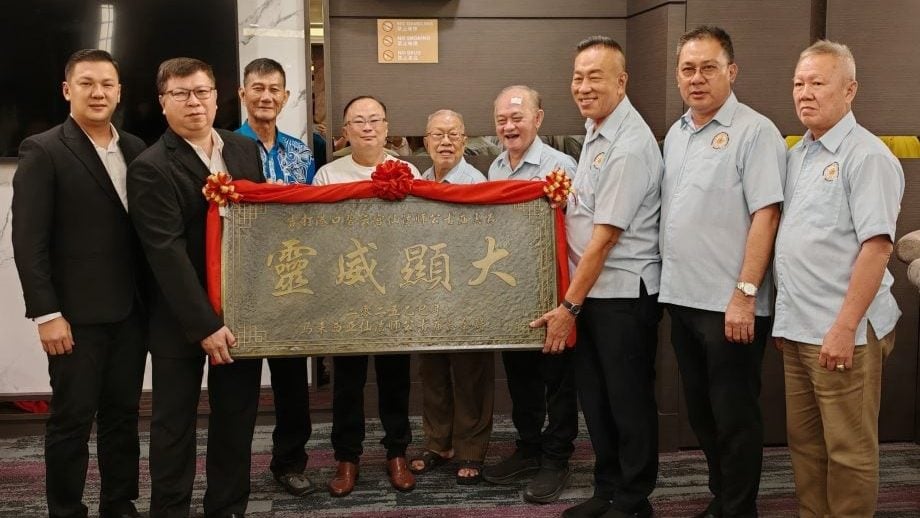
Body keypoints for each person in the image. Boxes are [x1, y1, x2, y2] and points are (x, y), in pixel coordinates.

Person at [12, 48, 147, 518]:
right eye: (87, 83)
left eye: (107, 84)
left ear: (119, 92)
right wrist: (47, 314)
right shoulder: (44, 149)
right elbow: (28, 242)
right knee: (72, 420)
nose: (98, 92)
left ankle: (119, 503)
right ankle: (65, 509)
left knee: (123, 416)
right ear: (68, 90)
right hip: (73, 318)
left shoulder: (136, 147)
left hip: (131, 311)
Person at [127, 57, 264, 517]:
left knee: (237, 419)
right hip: (179, 318)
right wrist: (205, 323)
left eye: (202, 92)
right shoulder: (150, 166)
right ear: (163, 102)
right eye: (181, 94)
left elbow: (258, 226)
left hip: (240, 312)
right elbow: (164, 253)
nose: (194, 102)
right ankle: (170, 510)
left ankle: (228, 507)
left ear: (217, 97)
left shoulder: (242, 150)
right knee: (174, 424)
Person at [533, 36, 663, 518]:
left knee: (628, 403)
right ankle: (607, 489)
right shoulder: (597, 129)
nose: (583, 87)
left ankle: (633, 500)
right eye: (578, 77)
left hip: (622, 297)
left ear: (621, 82)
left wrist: (568, 307)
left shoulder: (629, 144)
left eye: (595, 77)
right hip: (593, 294)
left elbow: (604, 239)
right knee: (598, 399)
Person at [659, 26, 786, 518]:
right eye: (687, 69)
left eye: (708, 68)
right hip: (682, 298)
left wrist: (745, 294)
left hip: (731, 305)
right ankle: (723, 496)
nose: (696, 78)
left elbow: (767, 215)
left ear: (731, 71)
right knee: (702, 411)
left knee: (734, 414)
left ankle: (738, 507)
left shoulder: (756, 132)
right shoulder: (677, 133)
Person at [774, 40, 903, 517]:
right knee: (806, 446)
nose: (804, 93)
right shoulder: (797, 154)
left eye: (817, 83)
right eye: (798, 83)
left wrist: (845, 327)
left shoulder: (867, 156)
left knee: (848, 452)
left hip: (844, 331)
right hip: (799, 328)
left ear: (850, 90)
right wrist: (785, 320)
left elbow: (878, 247)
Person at [313, 95, 420, 497]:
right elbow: (318, 236)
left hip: (394, 295)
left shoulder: (406, 171)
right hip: (347, 295)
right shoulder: (327, 175)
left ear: (387, 127)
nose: (368, 127)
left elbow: (420, 231)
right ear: (345, 132)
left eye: (375, 119)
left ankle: (397, 453)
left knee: (395, 379)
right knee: (348, 382)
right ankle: (347, 458)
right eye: (358, 121)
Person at [481, 85, 579, 505]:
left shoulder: (561, 166)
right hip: (511, 292)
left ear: (538, 119)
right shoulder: (495, 168)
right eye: (502, 119)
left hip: (554, 292)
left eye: (517, 118)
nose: (509, 126)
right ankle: (528, 448)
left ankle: (557, 458)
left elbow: (578, 230)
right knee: (520, 376)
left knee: (557, 378)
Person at [236, 57, 315, 497]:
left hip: (290, 280)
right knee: (239, 385)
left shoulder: (301, 152)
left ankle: (289, 462)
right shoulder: (223, 148)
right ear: (242, 93)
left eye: (274, 90)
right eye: (258, 88)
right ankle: (233, 470)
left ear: (285, 97)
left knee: (292, 383)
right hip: (242, 282)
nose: (266, 96)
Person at [407, 109, 492, 485]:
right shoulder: (417, 182)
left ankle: (471, 449)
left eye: (453, 135)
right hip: (427, 290)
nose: (445, 142)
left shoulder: (477, 183)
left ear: (464, 141)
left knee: (470, 373)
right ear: (425, 142)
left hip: (467, 293)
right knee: (433, 371)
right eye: (437, 135)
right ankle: (438, 443)